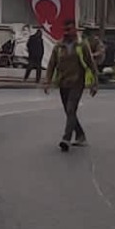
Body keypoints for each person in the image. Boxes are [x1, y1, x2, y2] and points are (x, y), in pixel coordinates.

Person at [43, 18, 100, 151]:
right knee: (69, 112)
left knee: (70, 109)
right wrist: (47, 81)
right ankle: (80, 135)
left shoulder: (82, 45)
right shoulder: (58, 46)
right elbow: (51, 64)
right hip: (63, 83)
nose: (66, 32)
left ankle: (66, 139)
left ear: (75, 29)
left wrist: (95, 83)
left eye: (69, 29)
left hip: (77, 82)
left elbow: (91, 65)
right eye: (65, 30)